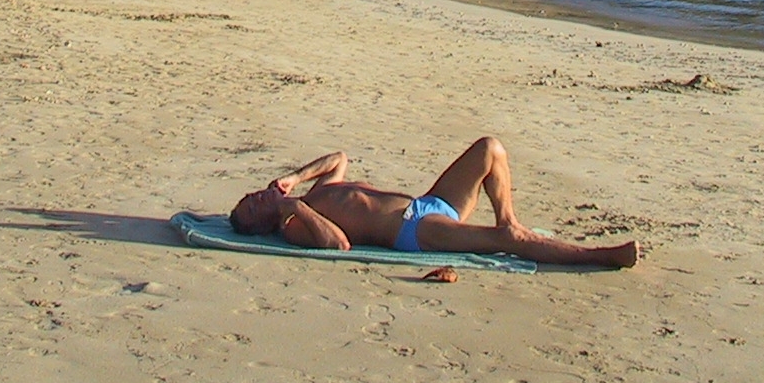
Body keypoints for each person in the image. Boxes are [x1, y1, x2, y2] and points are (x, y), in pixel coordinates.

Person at [228, 139, 637, 268]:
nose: (256, 196)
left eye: (250, 195)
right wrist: (294, 208)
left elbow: (339, 159)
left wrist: (295, 179)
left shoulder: (314, 193)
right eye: (252, 206)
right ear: (261, 224)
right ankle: (601, 256)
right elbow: (338, 244)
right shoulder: (295, 226)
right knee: (509, 241)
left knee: (490, 149)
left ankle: (507, 218)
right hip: (415, 231)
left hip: (428, 204)